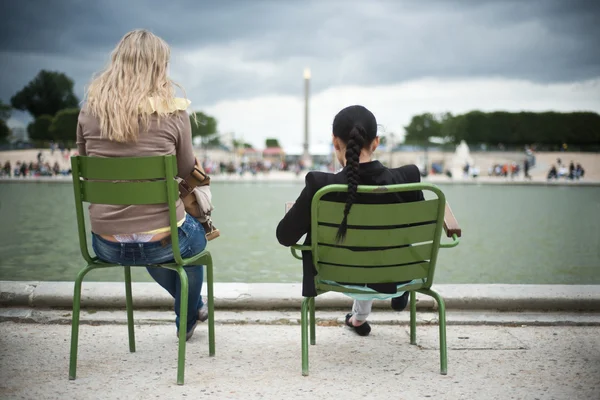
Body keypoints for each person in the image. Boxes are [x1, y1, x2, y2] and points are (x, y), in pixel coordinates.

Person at [77, 30, 208, 341]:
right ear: (158, 67)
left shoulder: (89, 111)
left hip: (104, 243)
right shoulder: (173, 112)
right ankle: (189, 313)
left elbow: (85, 163)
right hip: (161, 239)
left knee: (155, 243)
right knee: (193, 238)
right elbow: (186, 169)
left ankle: (193, 307)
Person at [276, 105, 424, 336]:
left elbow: (285, 237)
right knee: (378, 246)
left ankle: (358, 317)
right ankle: (393, 293)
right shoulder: (409, 179)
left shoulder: (320, 187)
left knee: (358, 249)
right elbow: (417, 229)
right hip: (394, 271)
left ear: (335, 143)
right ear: (376, 142)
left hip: (337, 275)